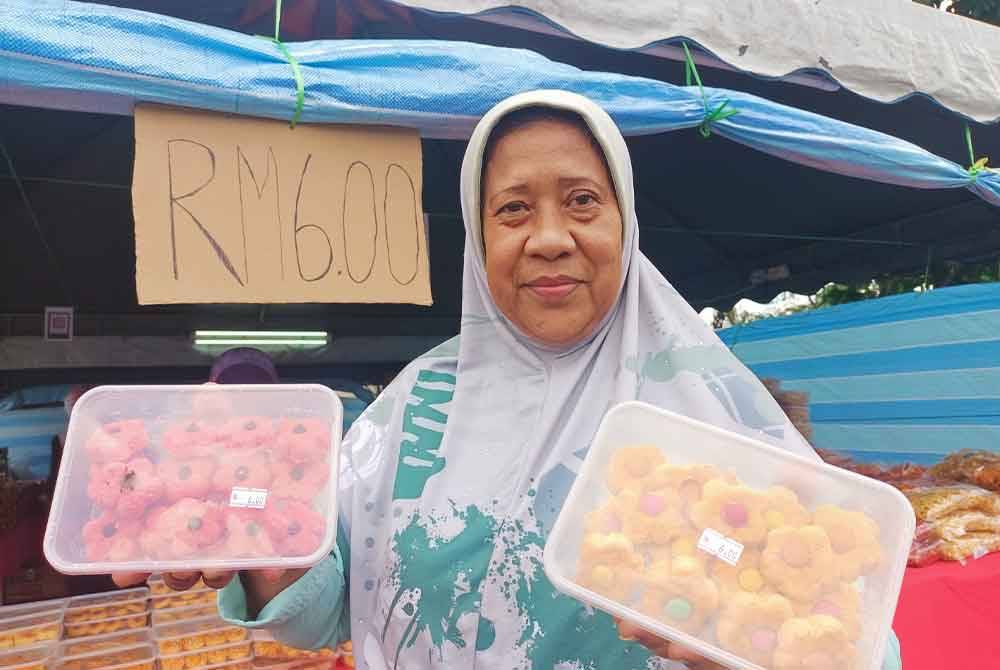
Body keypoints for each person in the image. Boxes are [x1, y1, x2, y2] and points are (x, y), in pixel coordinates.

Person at [114, 91, 902, 669]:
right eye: (513, 210)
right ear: (476, 236)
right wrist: (257, 545)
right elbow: (326, 613)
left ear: (625, 225)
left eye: (583, 202)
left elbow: (857, 642)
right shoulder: (411, 406)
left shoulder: (713, 409)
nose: (550, 238)